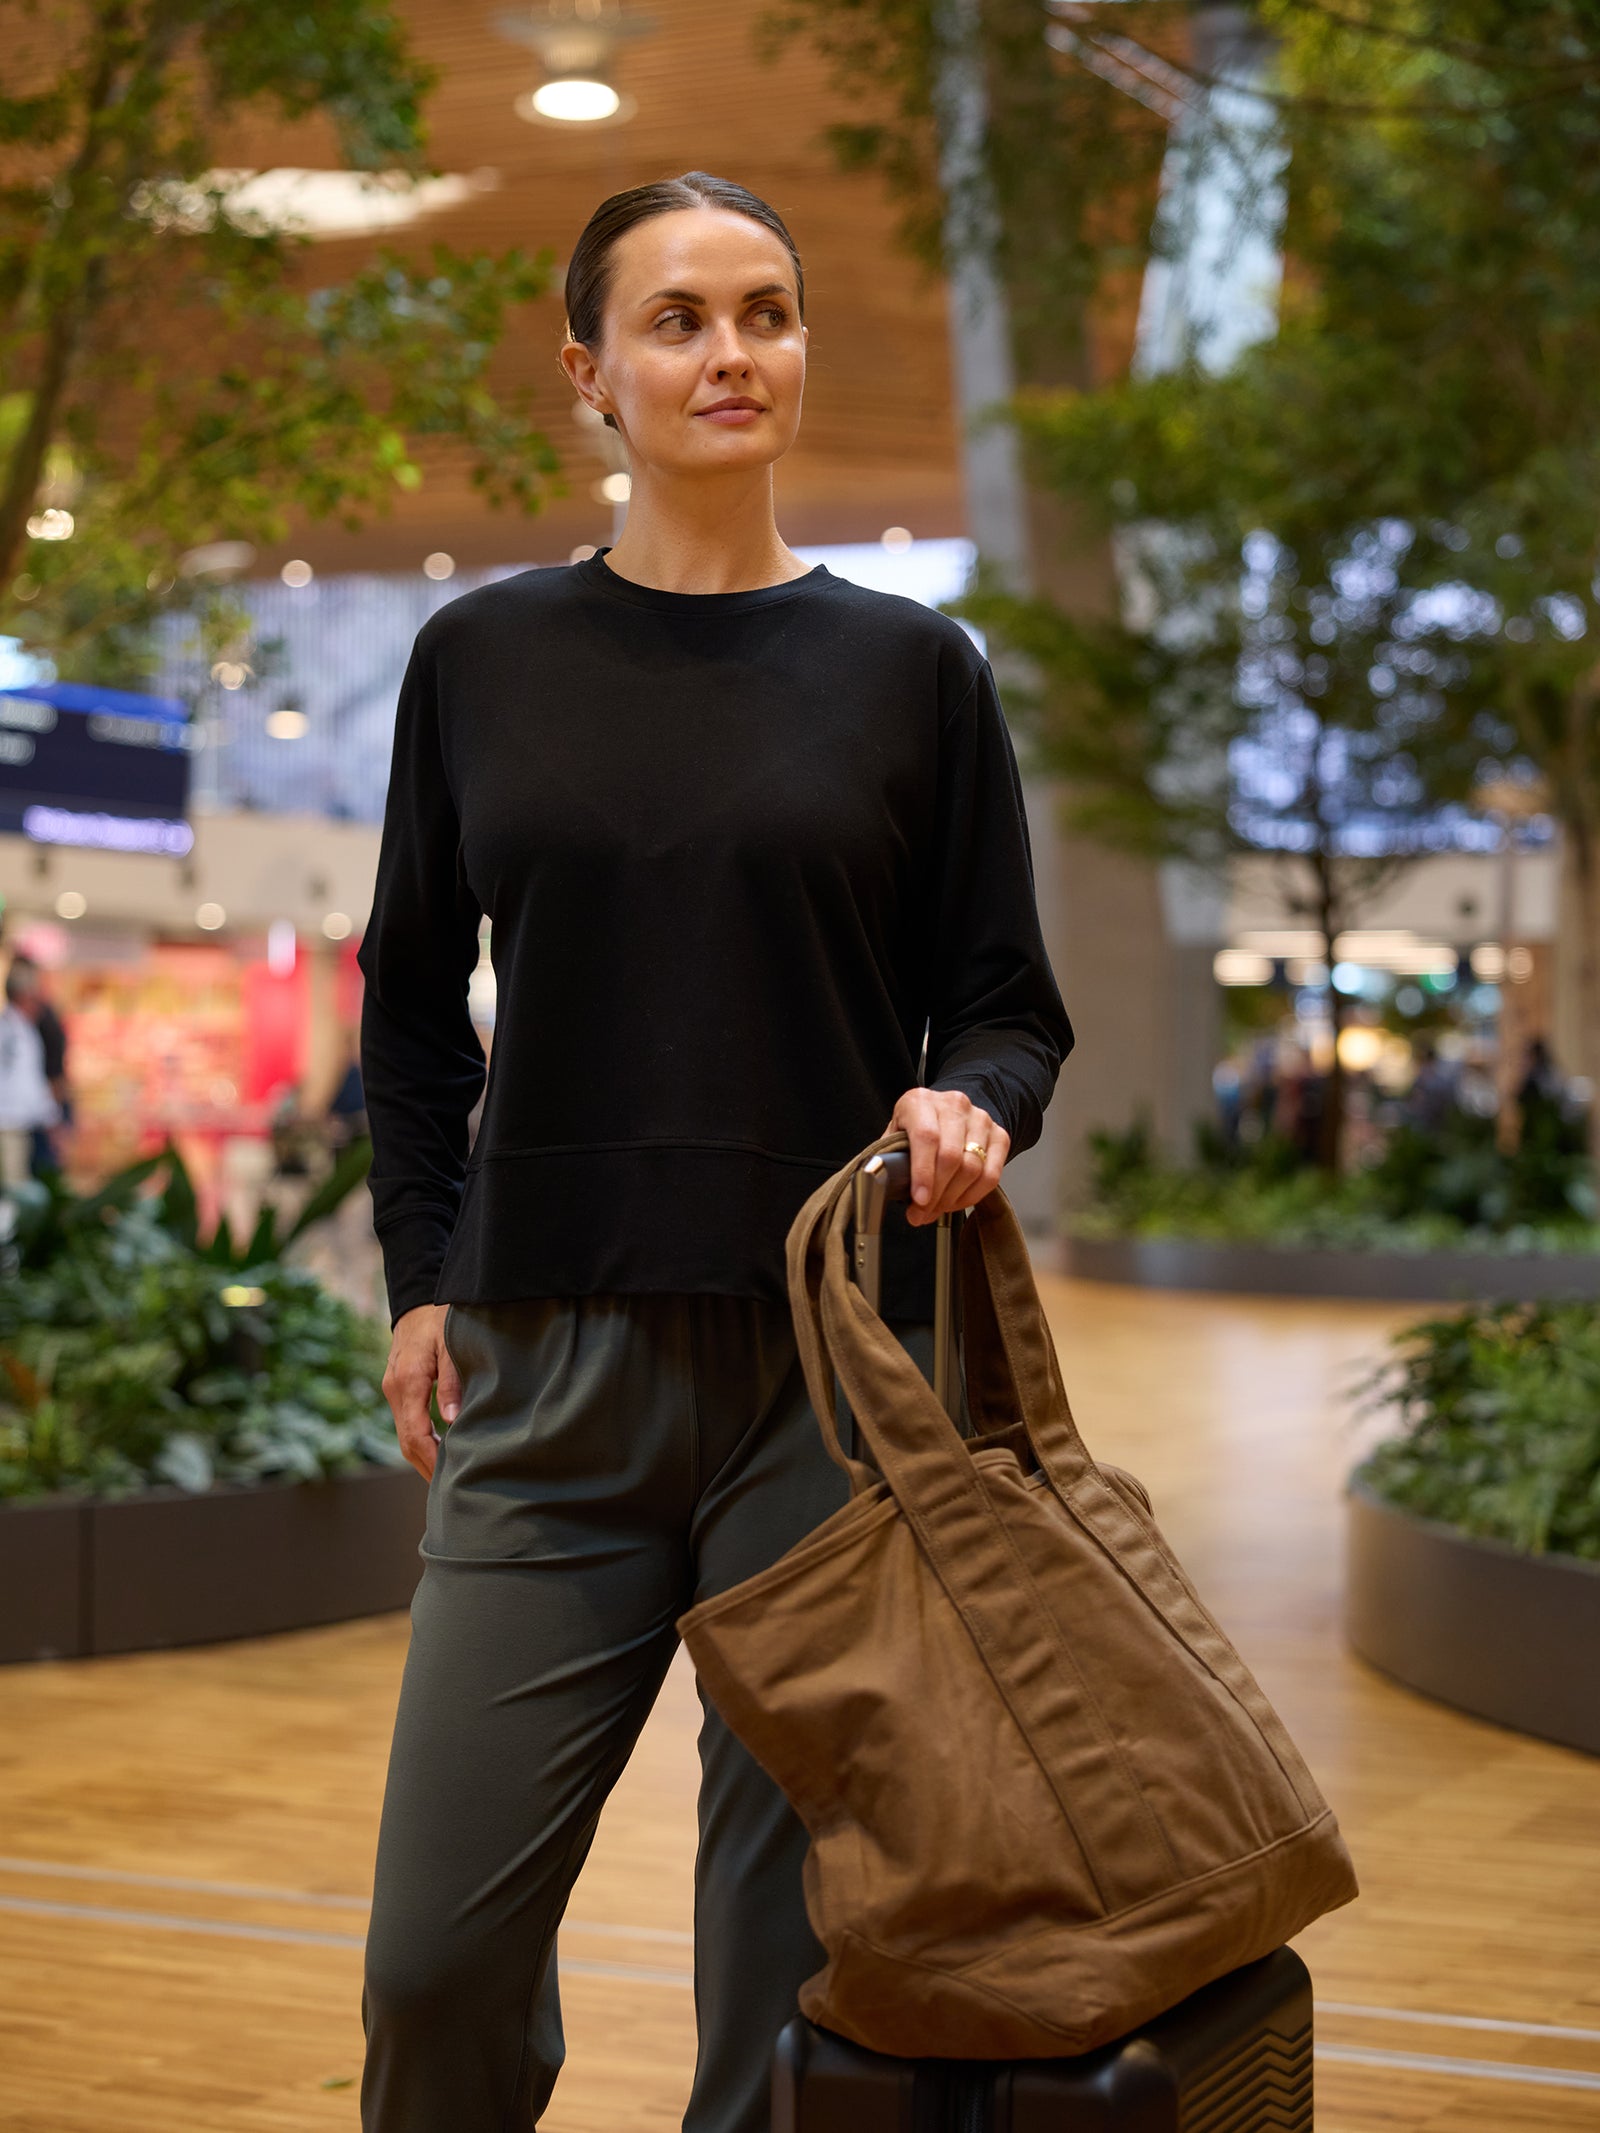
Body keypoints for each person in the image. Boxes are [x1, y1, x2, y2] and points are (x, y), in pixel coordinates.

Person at [356, 172, 1073, 2133]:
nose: (728, 351)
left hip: (831, 1382)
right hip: (546, 1370)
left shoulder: (911, 672)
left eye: (764, 309)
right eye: (676, 318)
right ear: (590, 372)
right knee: (434, 1961)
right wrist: (421, 1273)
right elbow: (410, 1005)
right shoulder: (480, 658)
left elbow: (1005, 1001)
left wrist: (972, 1103)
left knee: (784, 1964)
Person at [4, 954, 67, 1176]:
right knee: (16, 1188)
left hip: (18, 1122)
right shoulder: (15, 1033)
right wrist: (52, 1117)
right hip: (12, 1123)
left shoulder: (21, 1029)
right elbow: (25, 1082)